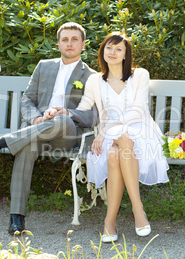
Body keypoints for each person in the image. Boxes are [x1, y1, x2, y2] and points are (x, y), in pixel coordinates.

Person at [0, 22, 97, 235]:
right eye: (65, 39)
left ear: (83, 44)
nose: (69, 43)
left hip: (66, 134)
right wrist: (36, 119)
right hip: (39, 129)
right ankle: (17, 218)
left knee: (61, 120)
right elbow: (27, 100)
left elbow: (92, 115)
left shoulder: (92, 76)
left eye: (74, 39)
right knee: (25, 148)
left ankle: (3, 141)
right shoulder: (44, 66)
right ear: (58, 44)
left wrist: (66, 112)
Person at [57, 32, 169, 242]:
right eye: (109, 48)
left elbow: (138, 110)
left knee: (123, 142)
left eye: (119, 49)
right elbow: (84, 107)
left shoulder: (140, 75)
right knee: (114, 153)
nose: (113, 52)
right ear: (103, 52)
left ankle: (115, 219)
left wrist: (105, 131)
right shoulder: (95, 80)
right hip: (109, 135)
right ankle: (134, 212)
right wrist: (66, 113)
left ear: (126, 54)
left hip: (140, 130)